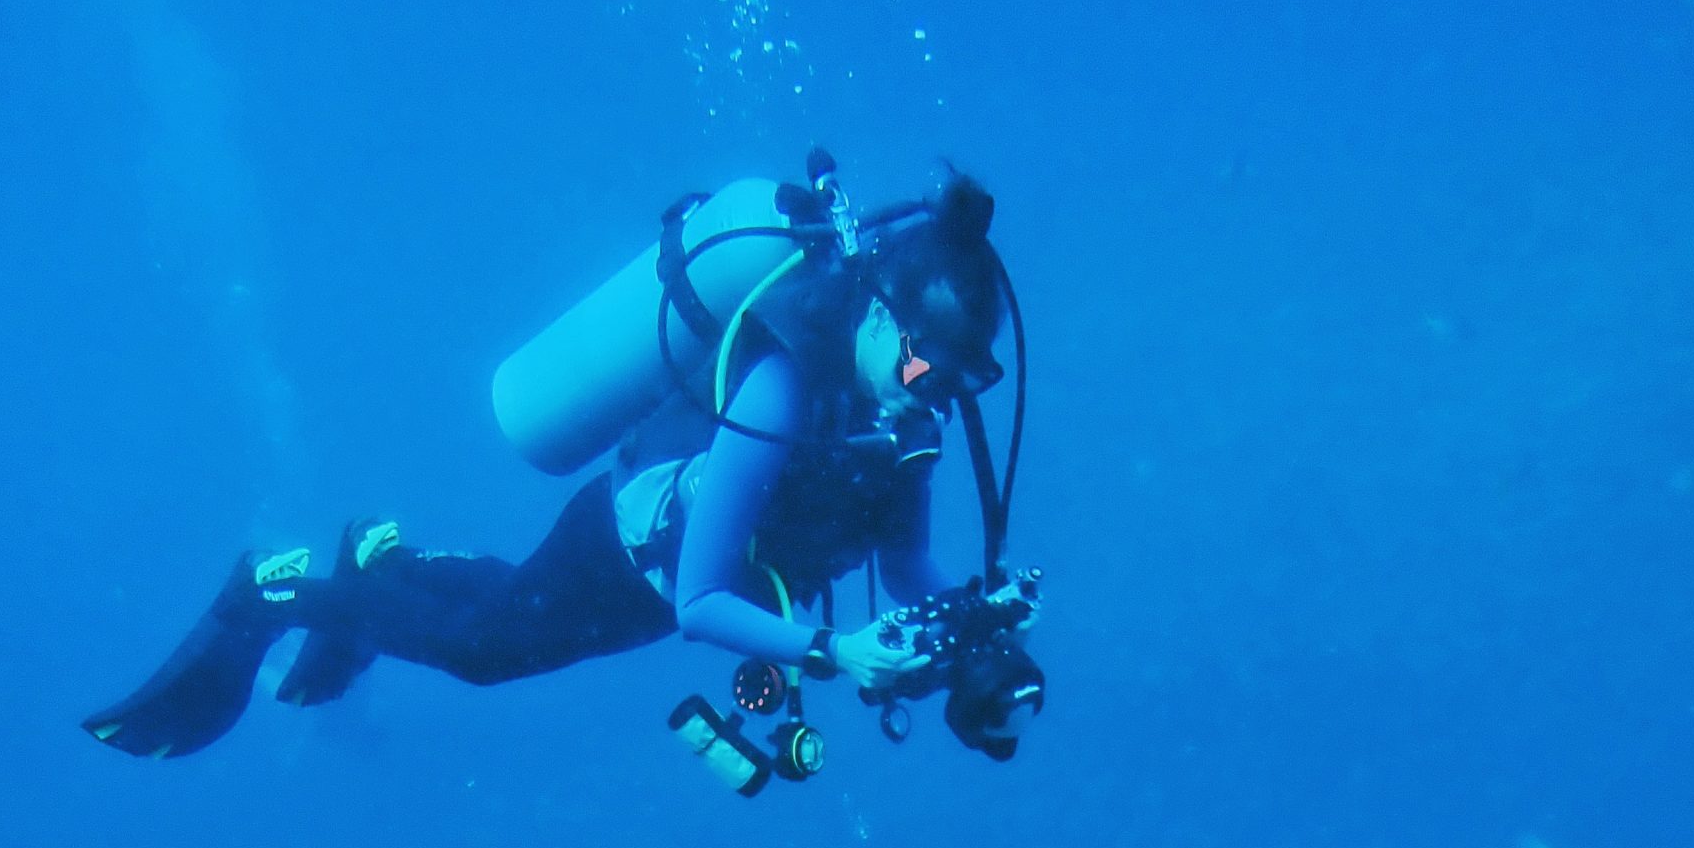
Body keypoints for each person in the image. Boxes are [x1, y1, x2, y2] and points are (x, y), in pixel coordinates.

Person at [83, 165, 1037, 766]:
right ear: (876, 313)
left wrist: (972, 638)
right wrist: (837, 650)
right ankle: (268, 593)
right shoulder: (782, 391)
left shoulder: (906, 425)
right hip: (632, 552)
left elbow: (908, 567)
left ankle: (378, 561)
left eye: (967, 379)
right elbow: (702, 605)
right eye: (921, 361)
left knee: (505, 602)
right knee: (481, 652)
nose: (936, 391)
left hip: (678, 581)